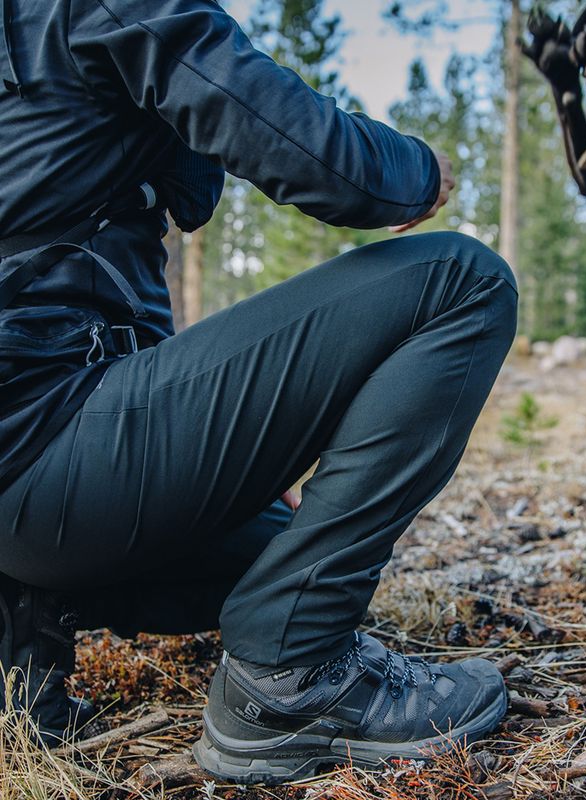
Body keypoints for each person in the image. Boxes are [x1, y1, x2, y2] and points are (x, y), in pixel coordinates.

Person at [0, 0, 518, 784]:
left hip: (30, 499)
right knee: (461, 281)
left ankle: (22, 681)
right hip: (55, 466)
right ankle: (290, 678)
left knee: (275, 549)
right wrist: (419, 172)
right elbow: (316, 156)